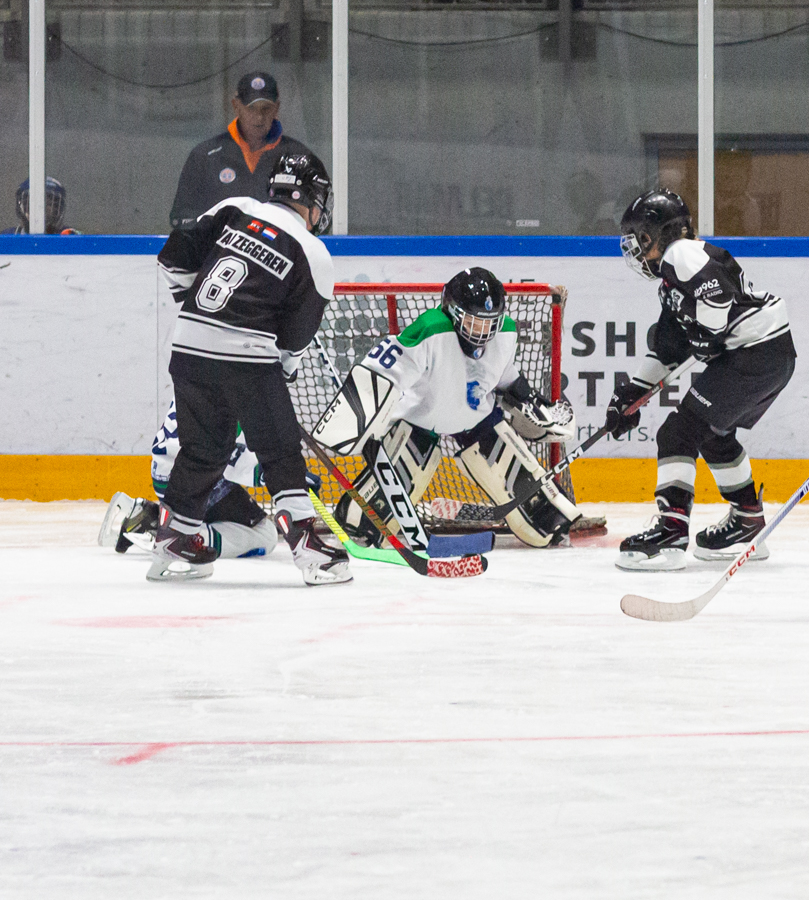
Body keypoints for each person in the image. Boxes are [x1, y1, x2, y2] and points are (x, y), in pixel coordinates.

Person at [149, 151, 348, 585]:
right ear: (313, 201)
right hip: (246, 357)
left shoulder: (233, 207)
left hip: (188, 348)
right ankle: (310, 548)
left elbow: (172, 259)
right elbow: (294, 338)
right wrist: (285, 367)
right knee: (278, 450)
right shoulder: (314, 254)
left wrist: (201, 314)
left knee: (204, 449)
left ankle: (175, 536)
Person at [313, 266, 581, 548]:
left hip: (478, 417)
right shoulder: (431, 330)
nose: (482, 332)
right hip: (422, 419)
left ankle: (546, 519)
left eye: (489, 323)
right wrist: (359, 413)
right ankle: (360, 522)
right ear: (451, 313)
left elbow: (503, 373)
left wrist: (526, 398)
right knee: (397, 481)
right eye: (473, 323)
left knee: (543, 512)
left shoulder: (506, 333)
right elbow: (383, 370)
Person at [607, 188, 796, 571]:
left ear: (662, 233)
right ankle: (747, 522)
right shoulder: (671, 284)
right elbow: (667, 351)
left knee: (677, 434)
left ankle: (670, 533)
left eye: (642, 239)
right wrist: (631, 394)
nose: (638, 250)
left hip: (754, 351)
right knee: (714, 433)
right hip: (772, 354)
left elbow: (717, 299)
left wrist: (706, 333)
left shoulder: (682, 253)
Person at [99, 400, 280, 560]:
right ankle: (168, 535)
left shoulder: (198, 365)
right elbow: (236, 465)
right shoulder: (240, 385)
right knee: (265, 534)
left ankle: (160, 519)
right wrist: (284, 475)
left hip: (171, 470)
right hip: (193, 476)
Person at [169, 72, 316, 229]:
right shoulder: (205, 156)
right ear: (236, 106)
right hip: (220, 253)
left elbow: (320, 219)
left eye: (266, 108)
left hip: (278, 252)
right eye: (251, 108)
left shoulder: (300, 157)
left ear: (276, 108)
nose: (259, 117)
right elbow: (181, 218)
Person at [3, 178, 79, 234]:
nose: (40, 209)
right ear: (21, 206)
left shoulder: (70, 237)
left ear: (58, 209)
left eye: (49, 204)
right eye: (31, 202)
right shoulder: (6, 236)